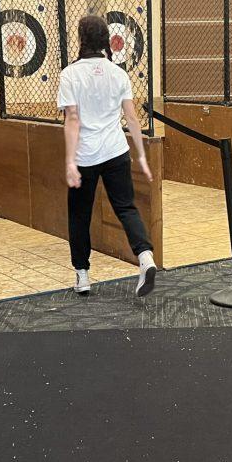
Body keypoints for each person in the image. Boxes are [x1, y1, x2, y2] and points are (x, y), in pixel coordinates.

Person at [58, 15, 157, 297]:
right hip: (117, 152)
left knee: (79, 215)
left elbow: (72, 120)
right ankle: (145, 257)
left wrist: (69, 162)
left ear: (80, 39)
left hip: (85, 157)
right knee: (126, 208)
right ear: (104, 40)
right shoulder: (118, 74)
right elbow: (132, 119)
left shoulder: (70, 74)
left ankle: (83, 276)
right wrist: (141, 157)